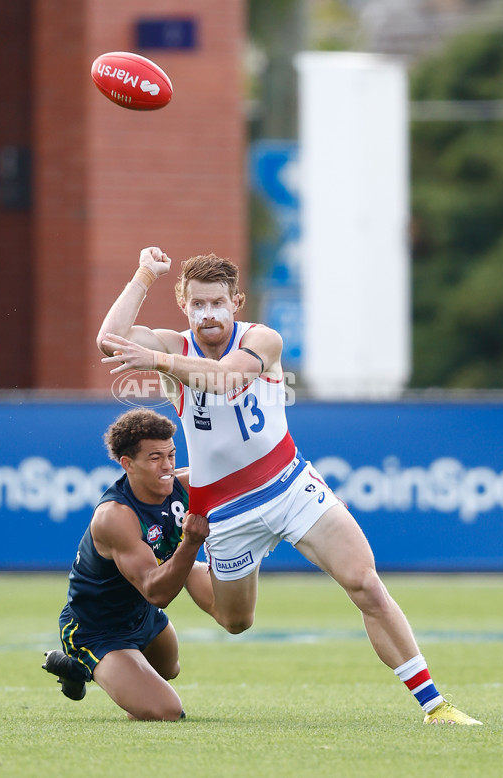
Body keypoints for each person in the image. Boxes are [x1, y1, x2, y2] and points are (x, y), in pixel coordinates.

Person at [95, 246, 482, 726]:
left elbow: (223, 380)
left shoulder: (262, 338)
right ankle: (182, 569)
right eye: (198, 304)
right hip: (226, 509)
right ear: (185, 306)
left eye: (217, 303)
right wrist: (143, 276)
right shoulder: (175, 346)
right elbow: (109, 341)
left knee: (364, 582)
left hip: (289, 485)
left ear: (236, 303)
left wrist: (153, 359)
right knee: (235, 621)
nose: (208, 314)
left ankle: (435, 705)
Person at [42, 407, 213, 721]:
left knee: (169, 669)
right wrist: (190, 542)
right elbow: (157, 592)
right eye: (155, 458)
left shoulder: (182, 486)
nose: (168, 466)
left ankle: (79, 669)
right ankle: (83, 659)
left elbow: (239, 480)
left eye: (171, 455)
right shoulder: (115, 517)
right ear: (127, 464)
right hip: (97, 628)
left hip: (140, 614)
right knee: (166, 712)